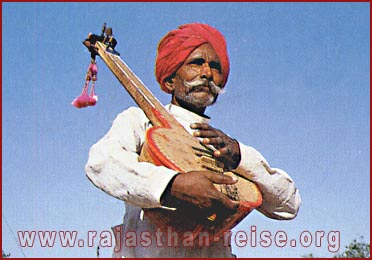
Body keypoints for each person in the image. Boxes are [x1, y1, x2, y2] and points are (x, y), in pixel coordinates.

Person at [85, 23, 301, 258]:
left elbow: (288, 205)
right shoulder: (140, 121)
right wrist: (172, 185)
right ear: (170, 81)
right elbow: (101, 163)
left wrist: (241, 156)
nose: (207, 73)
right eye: (196, 63)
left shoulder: (224, 148)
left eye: (215, 67)